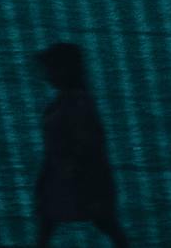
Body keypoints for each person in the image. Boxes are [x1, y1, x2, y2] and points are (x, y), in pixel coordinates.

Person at [34, 42, 127, 246]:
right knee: (102, 222)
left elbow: (87, 142)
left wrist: (73, 168)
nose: (47, 74)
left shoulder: (76, 103)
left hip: (77, 176)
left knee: (102, 221)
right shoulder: (69, 100)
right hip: (63, 174)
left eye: (52, 68)